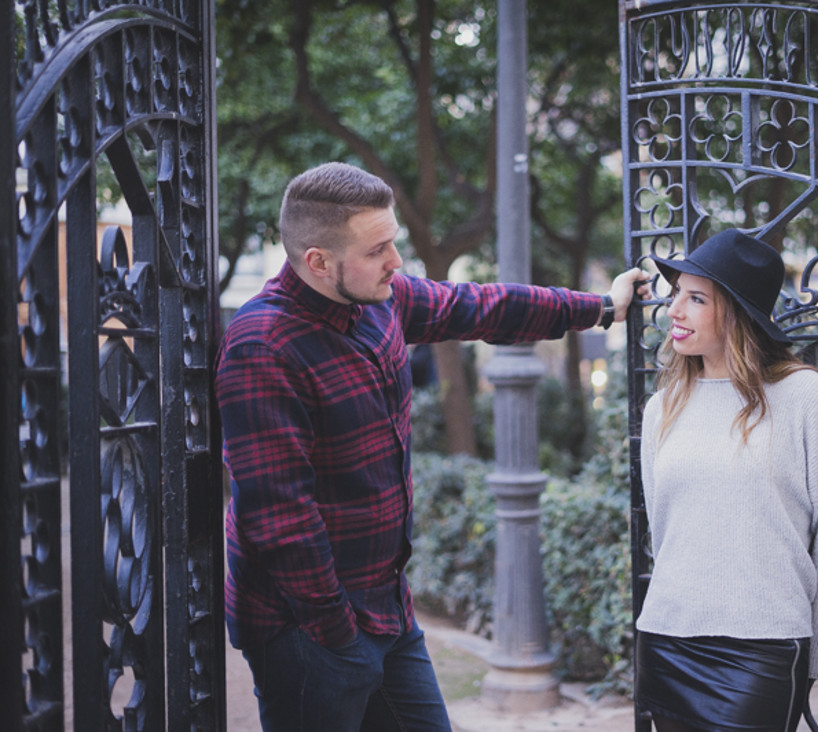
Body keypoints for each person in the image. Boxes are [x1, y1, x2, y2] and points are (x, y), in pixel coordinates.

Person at [214, 161, 650, 732]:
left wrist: (599, 308)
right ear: (319, 261)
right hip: (306, 629)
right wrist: (337, 632)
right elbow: (280, 518)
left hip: (385, 608)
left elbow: (480, 305)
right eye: (377, 251)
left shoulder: (380, 300)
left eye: (391, 243)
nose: (395, 262)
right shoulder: (263, 346)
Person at [634, 229, 818, 732]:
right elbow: (664, 529)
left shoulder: (804, 397)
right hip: (667, 642)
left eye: (695, 298)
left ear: (737, 311)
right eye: (677, 293)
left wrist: (813, 654)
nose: (674, 310)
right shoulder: (663, 406)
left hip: (761, 653)